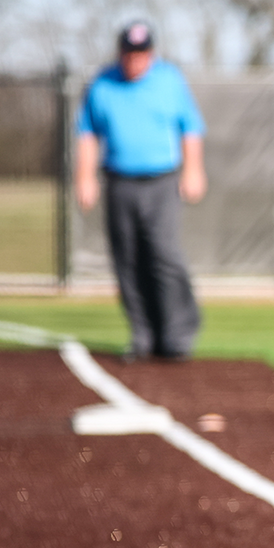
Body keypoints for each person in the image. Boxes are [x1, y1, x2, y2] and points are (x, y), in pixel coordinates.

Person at [75, 20, 207, 362]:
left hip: (161, 180)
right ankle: (143, 334)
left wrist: (193, 169)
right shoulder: (103, 84)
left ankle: (177, 335)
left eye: (142, 54)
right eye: (130, 54)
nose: (136, 61)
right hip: (119, 181)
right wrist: (84, 177)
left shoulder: (169, 80)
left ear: (151, 54)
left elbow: (190, 126)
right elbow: (87, 132)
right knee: (128, 260)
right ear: (121, 53)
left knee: (164, 255)